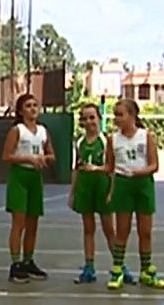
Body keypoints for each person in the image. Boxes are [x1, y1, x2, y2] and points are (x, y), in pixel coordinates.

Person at [68, 103, 135, 285]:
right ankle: (89, 267)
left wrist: (111, 191)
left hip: (102, 186)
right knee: (88, 228)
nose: (89, 121)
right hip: (85, 187)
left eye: (92, 117)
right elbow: (76, 168)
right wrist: (72, 192)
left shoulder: (106, 141)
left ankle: (120, 266)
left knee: (109, 230)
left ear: (99, 119)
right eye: (85, 118)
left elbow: (111, 169)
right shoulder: (79, 142)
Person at [105, 99, 164, 291]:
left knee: (145, 231)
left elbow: (154, 164)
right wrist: (95, 170)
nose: (116, 118)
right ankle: (117, 270)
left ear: (132, 116)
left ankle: (146, 270)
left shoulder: (145, 136)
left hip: (143, 184)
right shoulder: (112, 139)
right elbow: (110, 166)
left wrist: (141, 171)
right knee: (122, 230)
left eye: (120, 114)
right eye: (115, 114)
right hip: (123, 184)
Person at [1, 93, 55, 283]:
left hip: (35, 177)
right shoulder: (17, 130)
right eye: (28, 106)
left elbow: (51, 155)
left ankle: (28, 260)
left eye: (35, 105)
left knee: (33, 223)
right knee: (19, 222)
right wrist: (28, 158)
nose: (33, 108)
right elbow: (6, 156)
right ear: (21, 110)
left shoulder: (42, 131)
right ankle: (15, 264)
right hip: (19, 176)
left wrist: (43, 159)